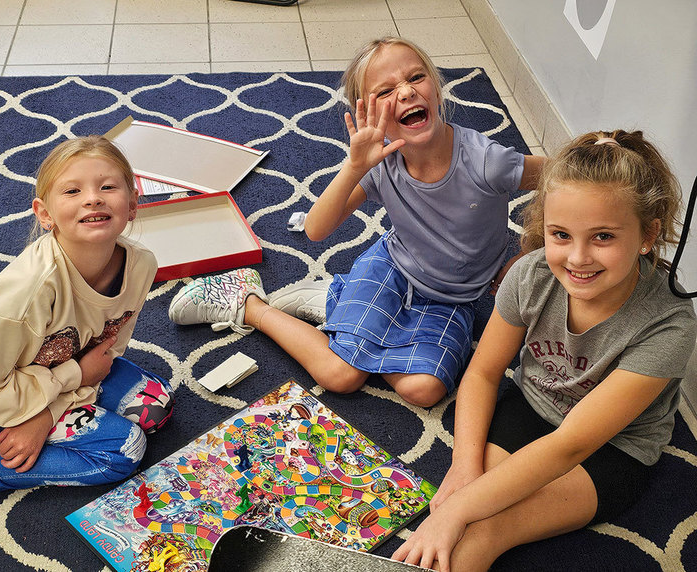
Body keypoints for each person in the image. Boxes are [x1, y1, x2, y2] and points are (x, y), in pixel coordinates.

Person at [168, 36, 543, 407]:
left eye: (416, 78)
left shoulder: (487, 160)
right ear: (366, 113)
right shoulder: (378, 163)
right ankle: (250, 303)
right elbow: (316, 229)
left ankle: (336, 302)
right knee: (341, 376)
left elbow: (564, 182)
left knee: (424, 391)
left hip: (454, 298)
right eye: (386, 91)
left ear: (437, 87)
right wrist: (355, 166)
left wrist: (526, 253)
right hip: (392, 268)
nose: (407, 92)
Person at [391, 130, 697, 571]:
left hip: (613, 449)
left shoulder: (669, 323)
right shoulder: (530, 276)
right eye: (560, 235)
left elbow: (571, 445)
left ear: (648, 234)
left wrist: (461, 509)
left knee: (483, 529)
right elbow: (482, 373)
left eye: (603, 237)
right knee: (456, 513)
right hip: (533, 407)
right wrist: (463, 467)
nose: (577, 258)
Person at [0, 136, 173, 493]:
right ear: (45, 214)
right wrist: (53, 406)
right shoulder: (28, 293)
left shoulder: (141, 265)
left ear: (133, 204)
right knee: (125, 450)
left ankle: (51, 412)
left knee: (156, 406)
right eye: (72, 191)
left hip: (47, 373)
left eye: (107, 186)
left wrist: (62, 397)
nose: (92, 197)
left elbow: (108, 346)